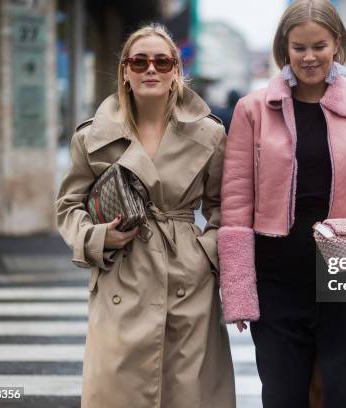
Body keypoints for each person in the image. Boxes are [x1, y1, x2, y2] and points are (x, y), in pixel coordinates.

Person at [217, 1, 346, 407]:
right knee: (283, 396)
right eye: (299, 47)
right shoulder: (252, 110)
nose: (309, 57)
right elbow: (236, 203)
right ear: (284, 50)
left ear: (337, 45)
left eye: (319, 46)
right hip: (276, 280)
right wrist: (238, 289)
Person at [56, 24, 235, 408]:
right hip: (122, 274)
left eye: (161, 61)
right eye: (138, 61)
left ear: (175, 71)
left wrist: (205, 254)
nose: (149, 69)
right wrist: (97, 238)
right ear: (124, 71)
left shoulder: (209, 135)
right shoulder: (92, 137)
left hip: (187, 280)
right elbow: (68, 207)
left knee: (188, 394)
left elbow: (226, 207)